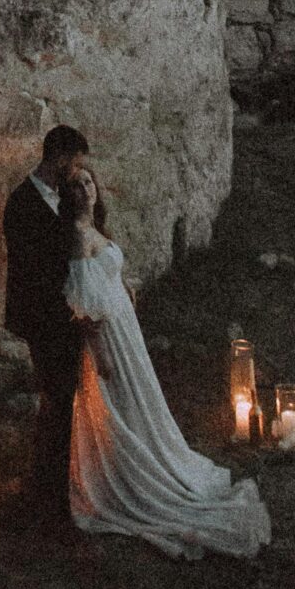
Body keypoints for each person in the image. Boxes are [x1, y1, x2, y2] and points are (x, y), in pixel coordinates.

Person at [61, 163, 271, 559]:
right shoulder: (74, 234)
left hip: (125, 327)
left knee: (142, 400)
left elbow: (104, 277)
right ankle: (132, 475)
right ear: (67, 195)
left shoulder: (95, 230)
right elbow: (83, 304)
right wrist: (101, 353)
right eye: (75, 185)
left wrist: (123, 289)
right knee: (120, 402)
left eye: (88, 182)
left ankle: (159, 454)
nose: (85, 190)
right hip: (108, 336)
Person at [0, 123, 94, 526]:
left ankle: (50, 486)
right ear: (58, 160)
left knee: (59, 404)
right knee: (56, 403)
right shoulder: (22, 204)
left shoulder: (57, 199)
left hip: (59, 318)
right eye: (74, 164)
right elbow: (38, 268)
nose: (77, 172)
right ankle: (49, 497)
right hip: (44, 320)